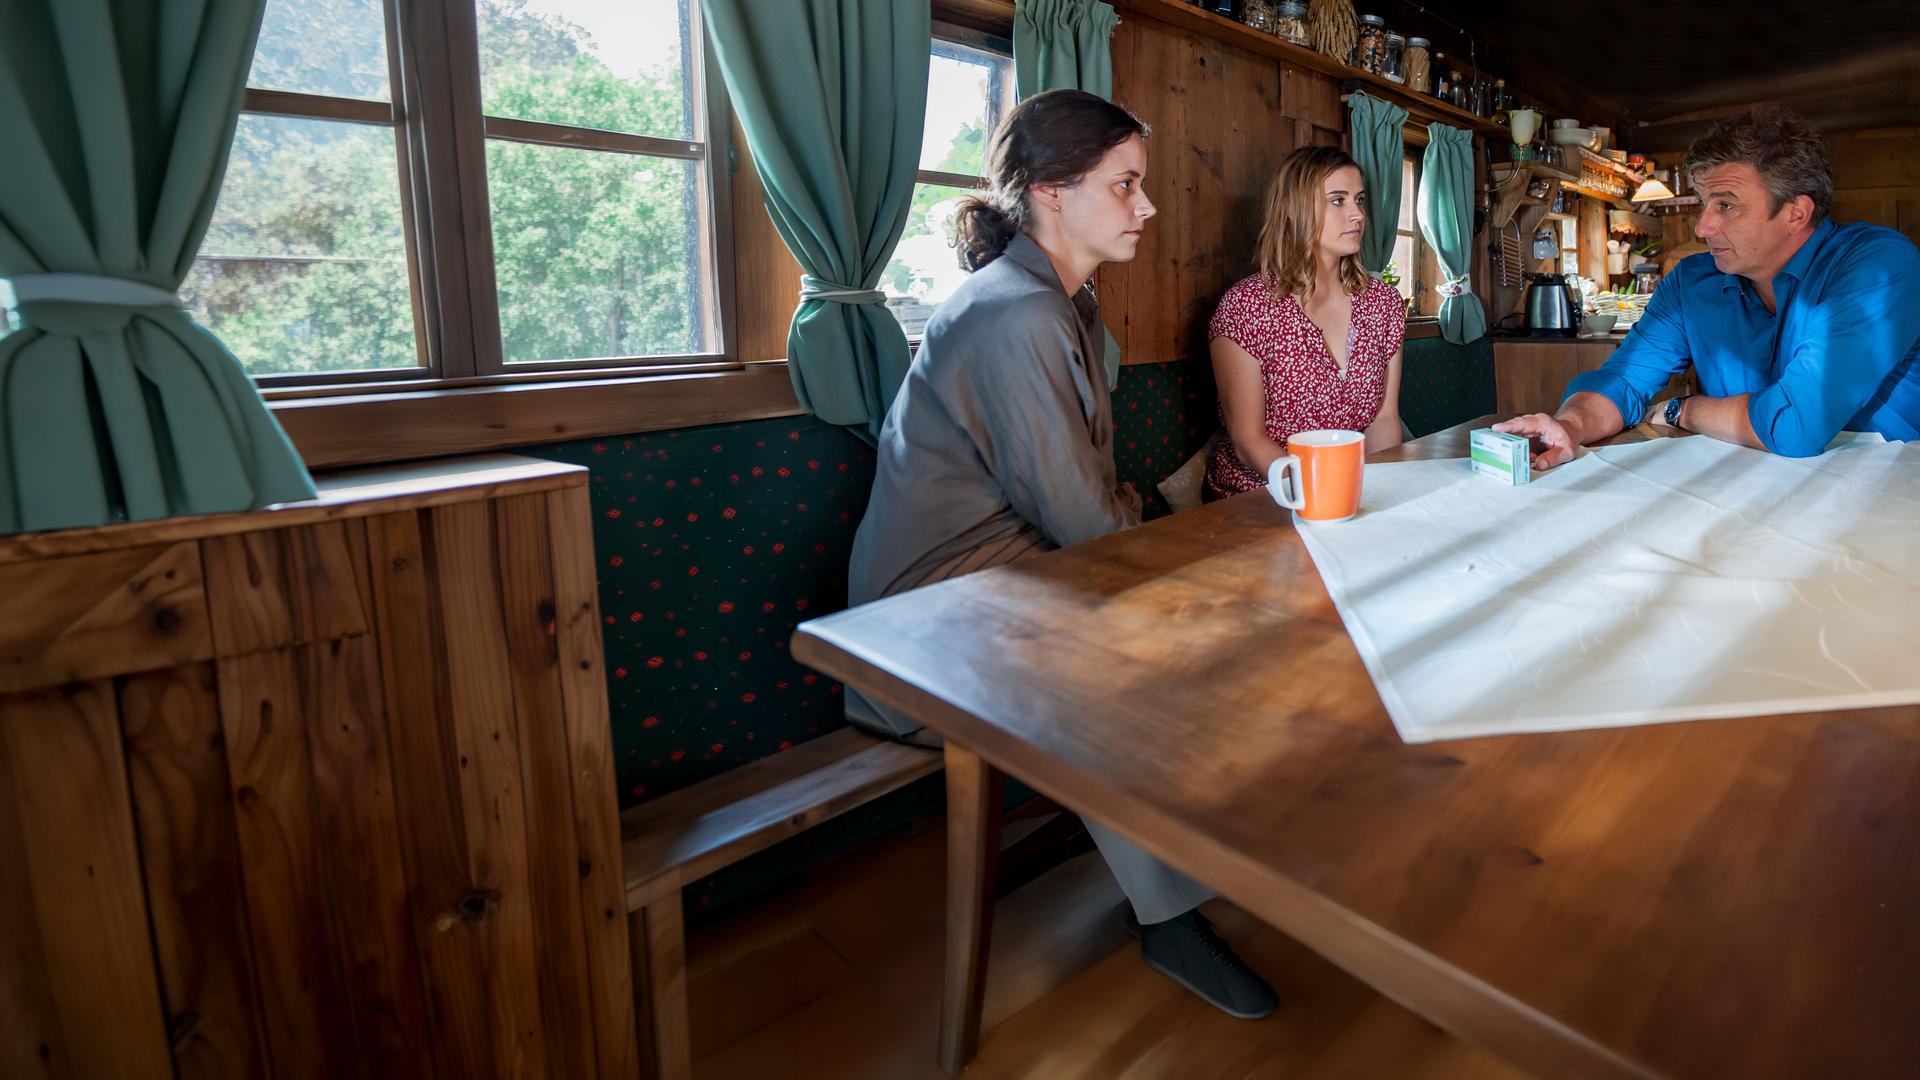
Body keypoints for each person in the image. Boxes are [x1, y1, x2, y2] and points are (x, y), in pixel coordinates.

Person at [845, 89, 1278, 1020]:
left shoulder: (1065, 304)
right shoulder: (1017, 314)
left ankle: (1202, 848)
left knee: (1226, 619)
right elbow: (1085, 527)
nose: (1146, 206)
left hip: (1016, 579)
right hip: (922, 625)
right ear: (1049, 192)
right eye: (1125, 186)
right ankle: (1169, 912)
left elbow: (1082, 505)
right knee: (1150, 656)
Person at [1497, 107, 1920, 466]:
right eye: (1704, 204)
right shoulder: (1691, 282)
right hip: (1753, 494)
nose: (1702, 227)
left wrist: (1686, 410)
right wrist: (1571, 426)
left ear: (1796, 212)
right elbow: (1624, 380)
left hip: (1890, 496)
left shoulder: (1878, 265)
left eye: (1726, 205)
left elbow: (1796, 424)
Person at [1205, 145, 1406, 500]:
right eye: (1338, 200)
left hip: (1350, 490)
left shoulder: (1382, 303)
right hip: (1261, 497)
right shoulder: (1247, 307)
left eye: (1359, 200)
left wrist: (1376, 496)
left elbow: (1384, 419)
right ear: (1294, 209)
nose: (1358, 215)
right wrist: (1317, 494)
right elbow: (1247, 441)